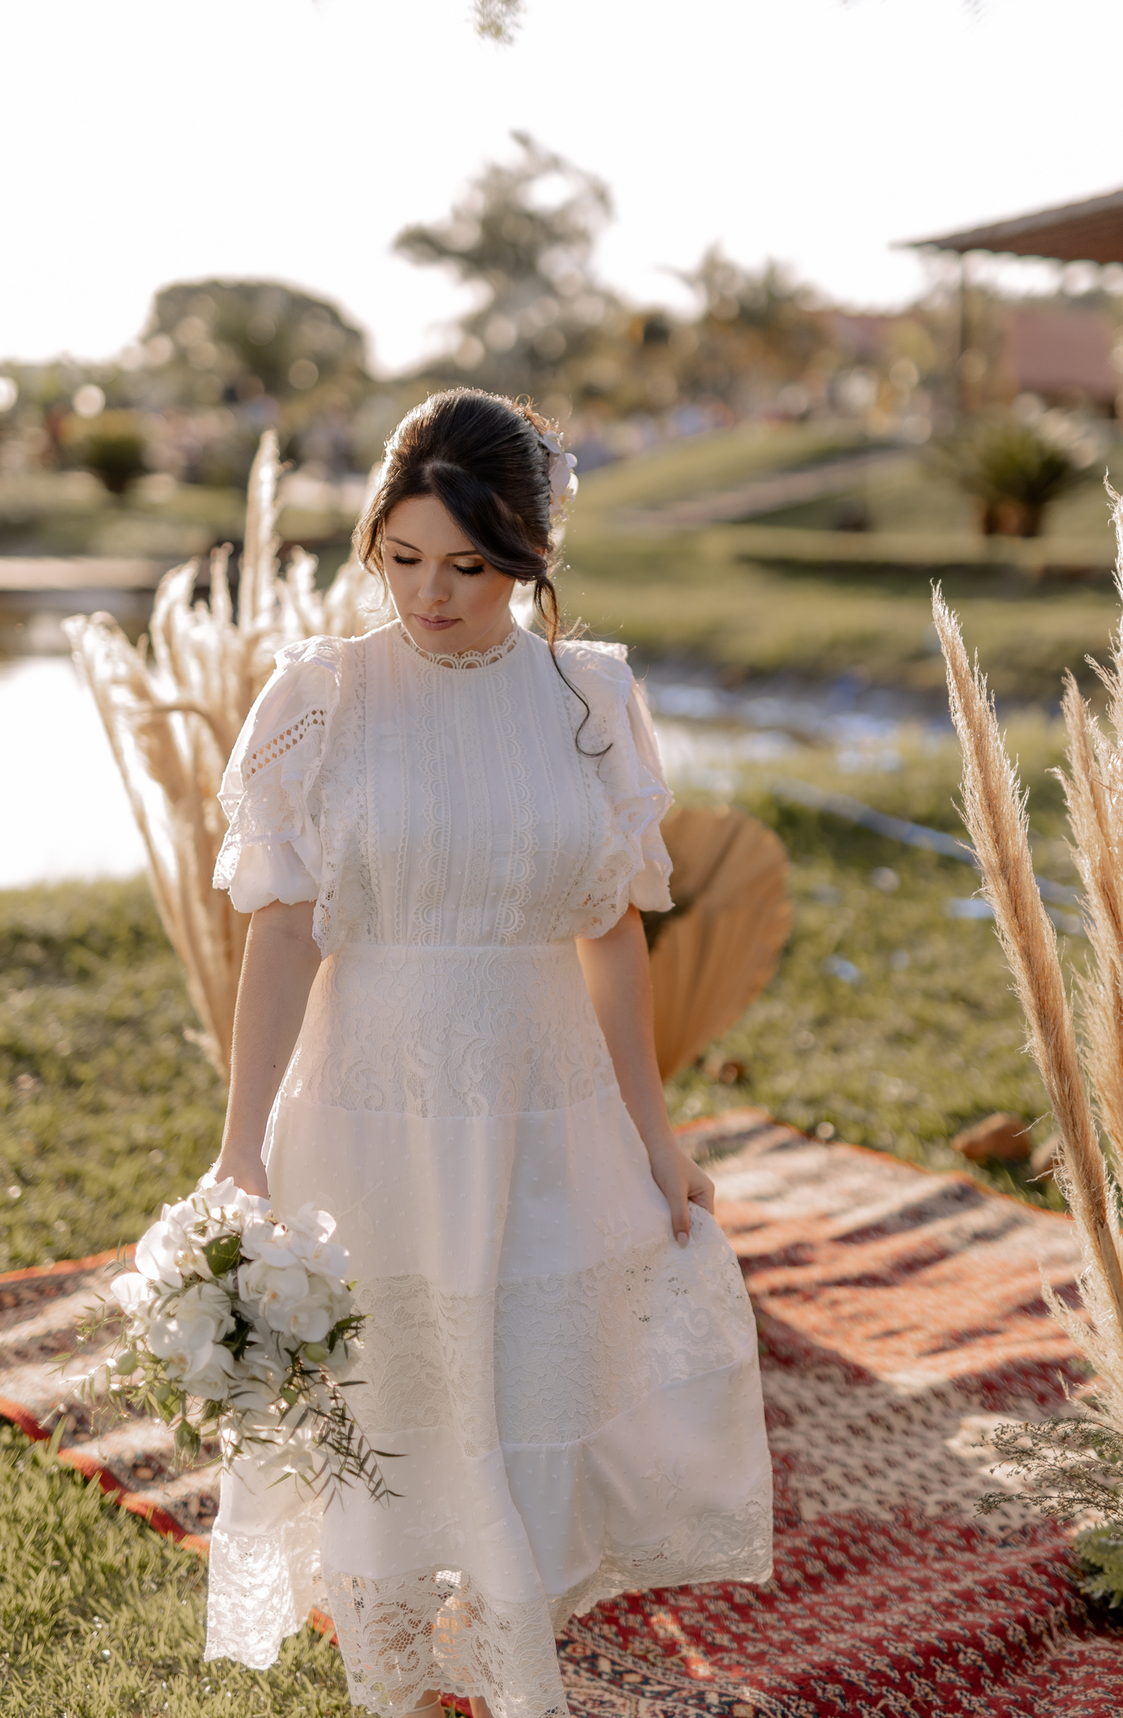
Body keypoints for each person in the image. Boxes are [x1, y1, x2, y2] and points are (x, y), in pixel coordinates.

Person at [203, 389, 773, 1718]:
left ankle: (517, 1666)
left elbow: (614, 940)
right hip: (368, 1110)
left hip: (541, 1103)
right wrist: (239, 1150)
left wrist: (655, 1137)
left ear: (529, 553)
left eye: (468, 566)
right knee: (385, 1407)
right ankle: (393, 1683)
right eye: (401, 559)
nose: (431, 595)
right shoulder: (317, 700)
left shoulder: (592, 696)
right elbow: (282, 939)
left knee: (528, 1401)